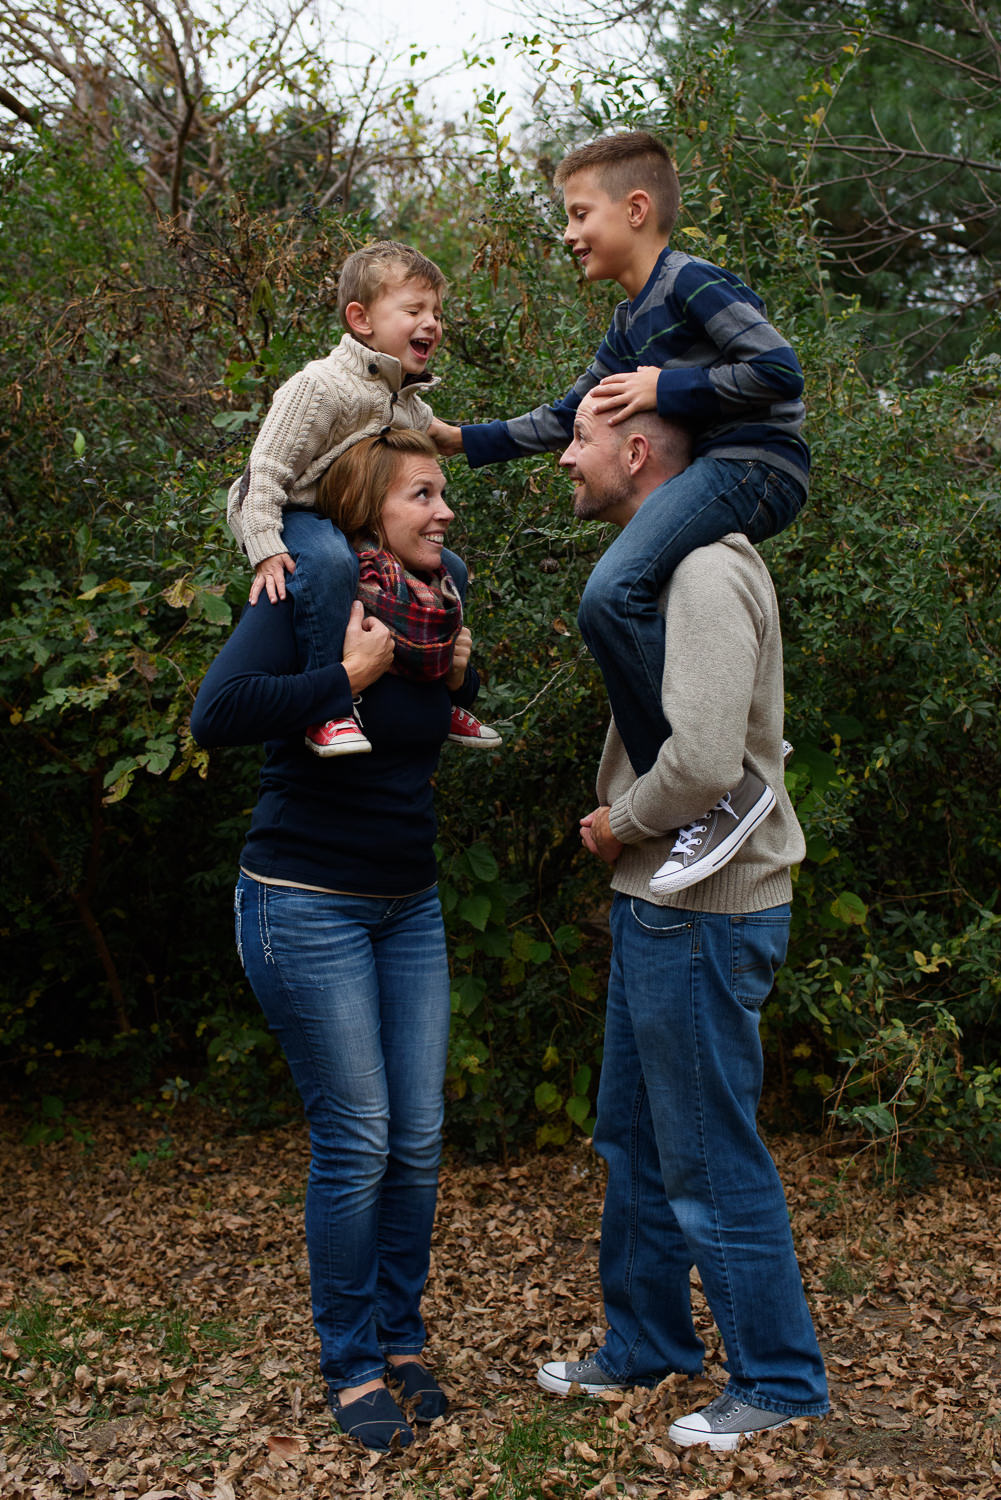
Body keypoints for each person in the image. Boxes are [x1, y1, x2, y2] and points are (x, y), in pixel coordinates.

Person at [535, 392, 829, 1452]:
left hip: (702, 907)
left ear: (636, 447)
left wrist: (621, 819)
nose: (565, 458)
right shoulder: (670, 568)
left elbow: (705, 761)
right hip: (658, 903)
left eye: (577, 440)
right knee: (632, 1139)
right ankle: (645, 1342)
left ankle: (779, 1378)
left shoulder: (703, 569)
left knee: (706, 1155)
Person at [193, 429, 477, 1452]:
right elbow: (214, 715)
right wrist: (345, 675)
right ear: (367, 507)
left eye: (444, 494)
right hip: (303, 901)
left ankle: (401, 1341)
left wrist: (447, 674)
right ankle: (351, 1360)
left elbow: (436, 724)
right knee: (356, 1142)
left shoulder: (438, 607)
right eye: (421, 496)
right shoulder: (310, 603)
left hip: (409, 902)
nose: (443, 511)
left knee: (416, 1139)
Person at [432, 131, 807, 892]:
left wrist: (662, 390)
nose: (567, 234)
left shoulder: (691, 283)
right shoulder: (627, 323)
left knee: (610, 594)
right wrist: (456, 440)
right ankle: (708, 767)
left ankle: (719, 793)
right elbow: (571, 414)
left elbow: (776, 368)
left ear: (636, 210)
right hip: (711, 472)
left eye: (578, 214)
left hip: (754, 466)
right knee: (631, 598)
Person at [227, 238, 500, 756]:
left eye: (437, 313)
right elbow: (264, 469)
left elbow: (444, 434)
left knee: (452, 569)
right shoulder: (322, 385)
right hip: (289, 508)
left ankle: (438, 697)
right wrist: (264, 545)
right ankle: (328, 708)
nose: (432, 323)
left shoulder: (407, 401)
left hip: (343, 519)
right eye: (414, 309)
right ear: (361, 318)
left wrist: (529, 435)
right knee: (330, 562)